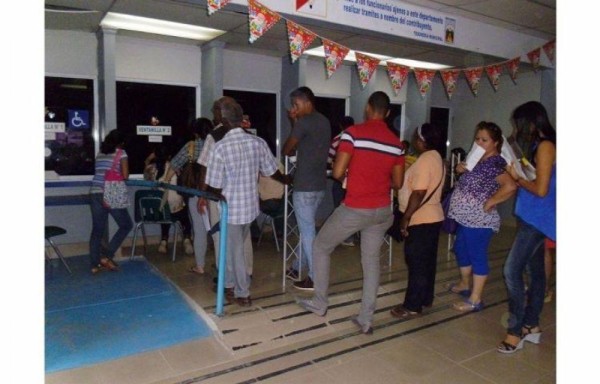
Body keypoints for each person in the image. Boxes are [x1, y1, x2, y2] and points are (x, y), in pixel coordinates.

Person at [296, 91, 405, 334]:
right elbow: (397, 183)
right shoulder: (396, 144)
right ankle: (366, 319)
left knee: (320, 247)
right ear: (387, 113)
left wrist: (354, 172)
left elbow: (337, 172)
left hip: (356, 207)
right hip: (382, 211)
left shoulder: (353, 134)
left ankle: (320, 303)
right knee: (371, 261)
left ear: (368, 108)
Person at [204, 97, 290, 306]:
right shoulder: (257, 142)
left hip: (231, 209)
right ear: (241, 120)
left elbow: (213, 186)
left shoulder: (220, 147)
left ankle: (242, 292)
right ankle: (229, 284)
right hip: (251, 208)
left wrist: (221, 190)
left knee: (235, 252)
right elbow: (272, 171)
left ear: (224, 121)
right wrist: (289, 179)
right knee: (237, 248)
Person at [497, 101, 556, 354]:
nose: (518, 128)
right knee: (536, 272)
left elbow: (541, 190)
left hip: (538, 218)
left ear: (532, 123)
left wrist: (518, 177)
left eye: (520, 123)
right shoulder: (539, 146)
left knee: (511, 270)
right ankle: (531, 325)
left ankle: (516, 329)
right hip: (532, 215)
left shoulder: (545, 146)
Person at [446, 122, 517, 312]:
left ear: (495, 143)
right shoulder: (477, 159)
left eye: (484, 140)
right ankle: (464, 283)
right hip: (465, 218)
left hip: (479, 221)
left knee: (477, 255)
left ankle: (475, 299)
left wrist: (492, 201)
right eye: (477, 138)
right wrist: (460, 169)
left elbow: (510, 186)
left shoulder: (495, 164)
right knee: (461, 249)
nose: (479, 142)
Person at [390, 123, 446, 318]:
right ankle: (425, 298)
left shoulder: (425, 160)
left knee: (416, 262)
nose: (414, 140)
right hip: (432, 217)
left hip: (421, 218)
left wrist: (406, 217)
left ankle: (412, 305)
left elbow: (419, 192)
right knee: (427, 262)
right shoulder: (436, 157)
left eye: (416, 137)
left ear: (422, 141)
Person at [197, 98, 255, 278]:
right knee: (244, 239)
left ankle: (226, 278)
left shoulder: (214, 137)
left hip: (220, 195)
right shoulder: (248, 136)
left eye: (215, 110)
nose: (213, 114)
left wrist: (202, 195)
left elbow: (205, 168)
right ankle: (246, 272)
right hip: (245, 198)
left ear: (221, 114)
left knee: (220, 237)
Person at [282, 86, 331, 290]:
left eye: (296, 104)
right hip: (320, 184)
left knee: (308, 233)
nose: (294, 108)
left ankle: (314, 277)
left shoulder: (304, 123)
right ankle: (296, 267)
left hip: (304, 186)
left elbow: (287, 148)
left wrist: (293, 122)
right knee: (308, 230)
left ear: (307, 102)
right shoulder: (324, 121)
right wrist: (296, 121)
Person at [165, 117, 213, 274]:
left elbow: (174, 164)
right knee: (219, 231)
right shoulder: (217, 145)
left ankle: (200, 265)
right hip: (215, 193)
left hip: (196, 193)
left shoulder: (190, 146)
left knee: (199, 230)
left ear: (196, 132)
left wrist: (166, 181)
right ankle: (222, 264)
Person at [88, 129, 133, 274]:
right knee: (126, 225)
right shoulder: (121, 153)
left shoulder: (100, 153)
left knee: (97, 230)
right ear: (121, 142)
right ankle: (107, 256)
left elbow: (99, 172)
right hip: (111, 192)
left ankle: (94, 265)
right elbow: (125, 175)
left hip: (95, 192)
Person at [143, 145, 194, 256]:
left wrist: (148, 158)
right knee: (184, 215)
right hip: (177, 208)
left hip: (160, 209)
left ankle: (164, 241)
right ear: (170, 156)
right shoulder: (176, 168)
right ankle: (186, 239)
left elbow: (145, 174)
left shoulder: (152, 169)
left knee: (165, 212)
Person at [328, 116, 357, 247]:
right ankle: (355, 235)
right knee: (355, 208)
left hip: (341, 179)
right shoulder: (359, 139)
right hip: (357, 179)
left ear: (341, 126)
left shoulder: (336, 140)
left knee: (340, 208)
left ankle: (347, 237)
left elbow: (328, 160)